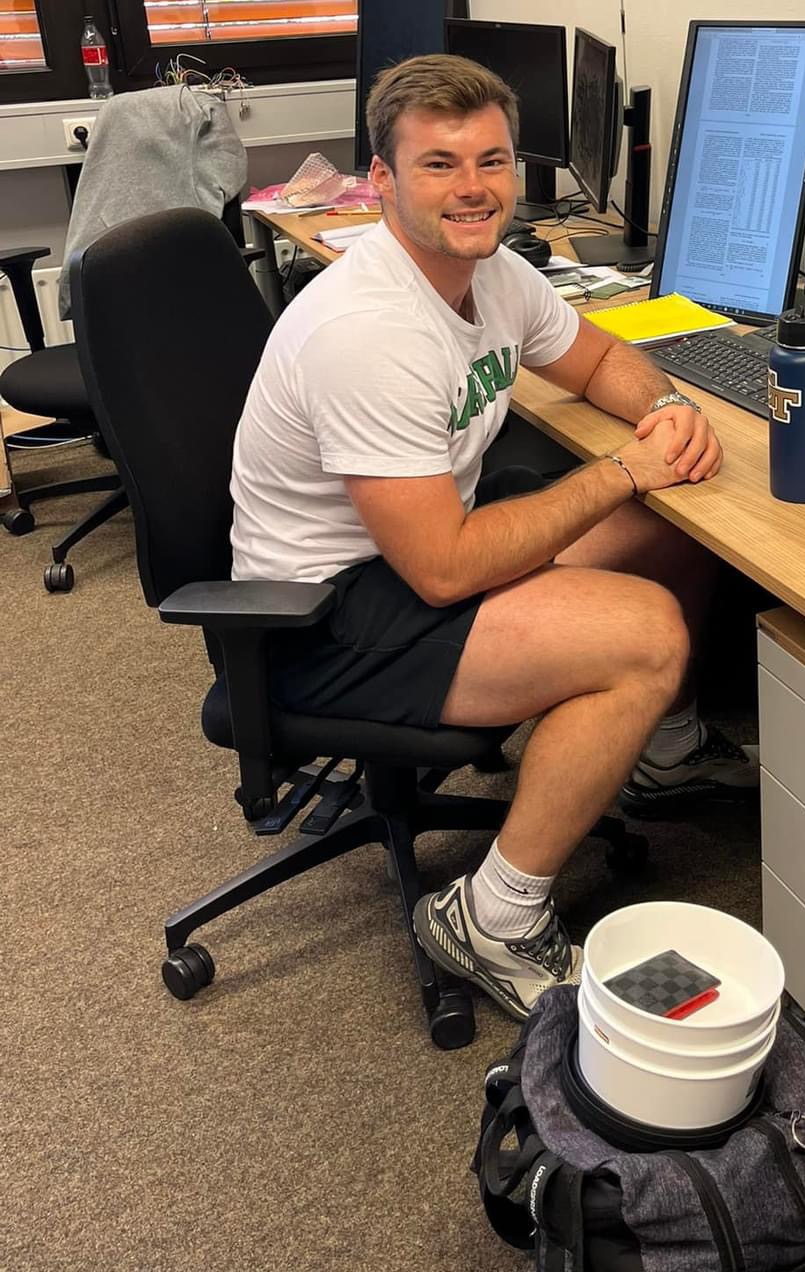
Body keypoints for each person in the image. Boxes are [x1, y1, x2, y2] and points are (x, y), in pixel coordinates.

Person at [230, 54, 756, 1021]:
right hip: (323, 619)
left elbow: (596, 359)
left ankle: (667, 752)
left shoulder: (492, 272)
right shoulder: (369, 331)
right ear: (383, 179)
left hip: (415, 559)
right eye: (438, 164)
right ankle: (493, 918)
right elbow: (443, 569)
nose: (472, 187)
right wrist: (622, 469)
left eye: (491, 161)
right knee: (646, 635)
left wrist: (666, 411)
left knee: (672, 521)